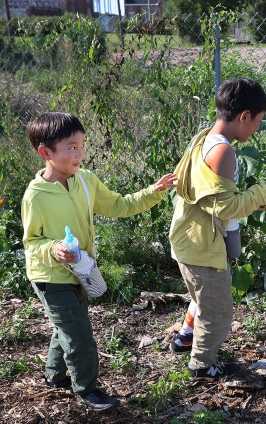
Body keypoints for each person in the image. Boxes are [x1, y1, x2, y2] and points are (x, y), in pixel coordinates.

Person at [21, 112, 177, 413]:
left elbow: (119, 204)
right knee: (78, 334)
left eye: (81, 145)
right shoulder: (35, 196)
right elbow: (31, 242)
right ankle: (87, 389)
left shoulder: (86, 181)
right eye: (71, 147)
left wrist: (154, 192)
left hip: (80, 270)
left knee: (66, 326)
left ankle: (54, 376)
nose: (79, 153)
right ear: (46, 152)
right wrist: (54, 249)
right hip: (50, 276)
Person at [169, 78, 266, 380]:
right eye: (258, 122)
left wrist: (258, 200)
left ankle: (185, 337)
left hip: (186, 237)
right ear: (244, 116)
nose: (257, 129)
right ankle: (201, 365)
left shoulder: (204, 137)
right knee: (218, 312)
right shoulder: (224, 152)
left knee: (203, 297)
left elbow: (215, 196)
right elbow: (226, 209)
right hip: (203, 245)